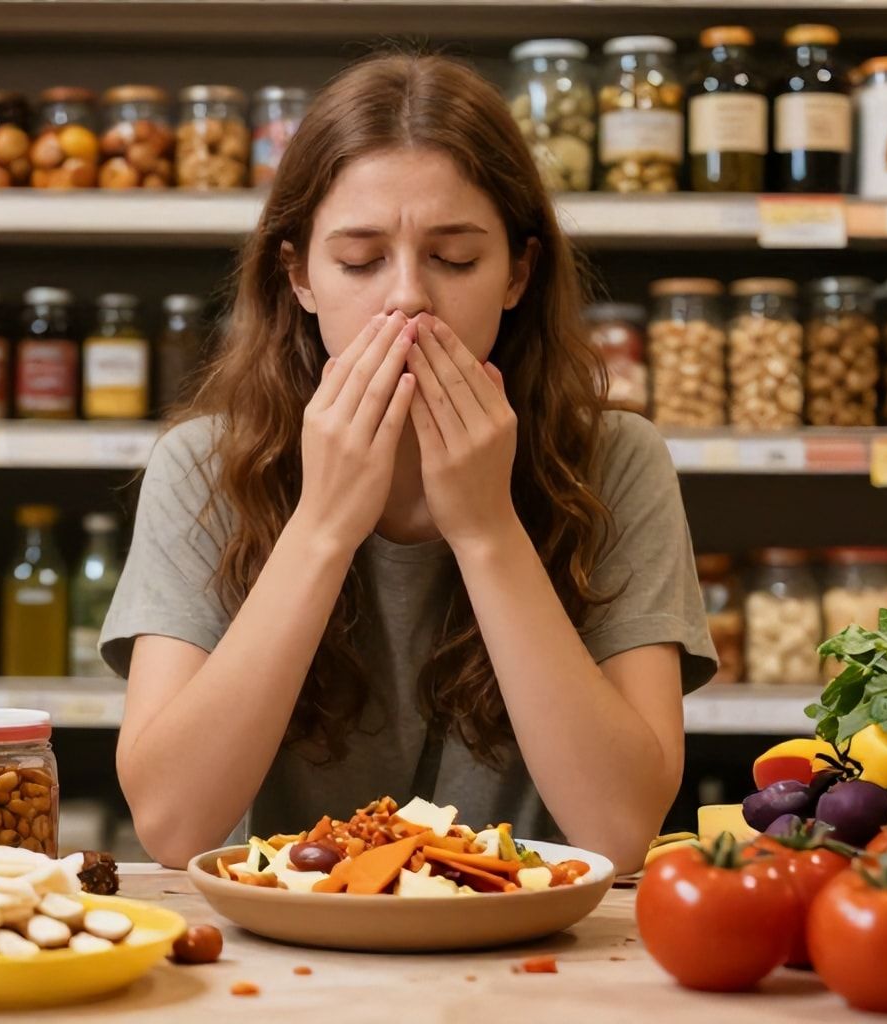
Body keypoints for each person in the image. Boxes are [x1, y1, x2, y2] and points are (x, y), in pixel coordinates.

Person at [102, 53, 716, 870]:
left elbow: (619, 831)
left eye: (455, 259)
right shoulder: (204, 464)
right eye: (359, 261)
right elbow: (175, 826)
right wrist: (322, 526)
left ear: (518, 273)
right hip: (285, 965)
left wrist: (487, 528)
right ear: (300, 277)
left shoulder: (616, 461)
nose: (406, 298)